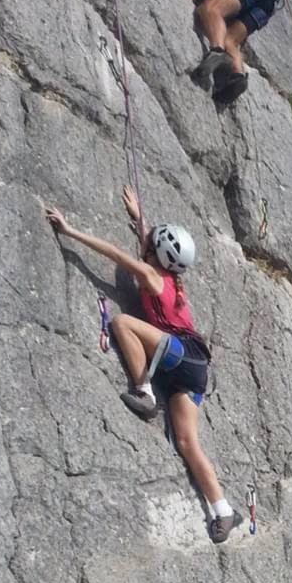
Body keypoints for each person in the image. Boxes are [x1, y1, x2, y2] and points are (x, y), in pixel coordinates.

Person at [46, 187, 243, 544]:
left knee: (122, 323)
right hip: (195, 368)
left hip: (181, 354)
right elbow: (152, 247)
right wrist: (139, 220)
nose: (146, 243)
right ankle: (224, 510)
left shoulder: (152, 276)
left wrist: (69, 230)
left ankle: (145, 391)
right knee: (186, 442)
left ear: (154, 254)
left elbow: (116, 254)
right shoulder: (168, 278)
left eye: (149, 243)